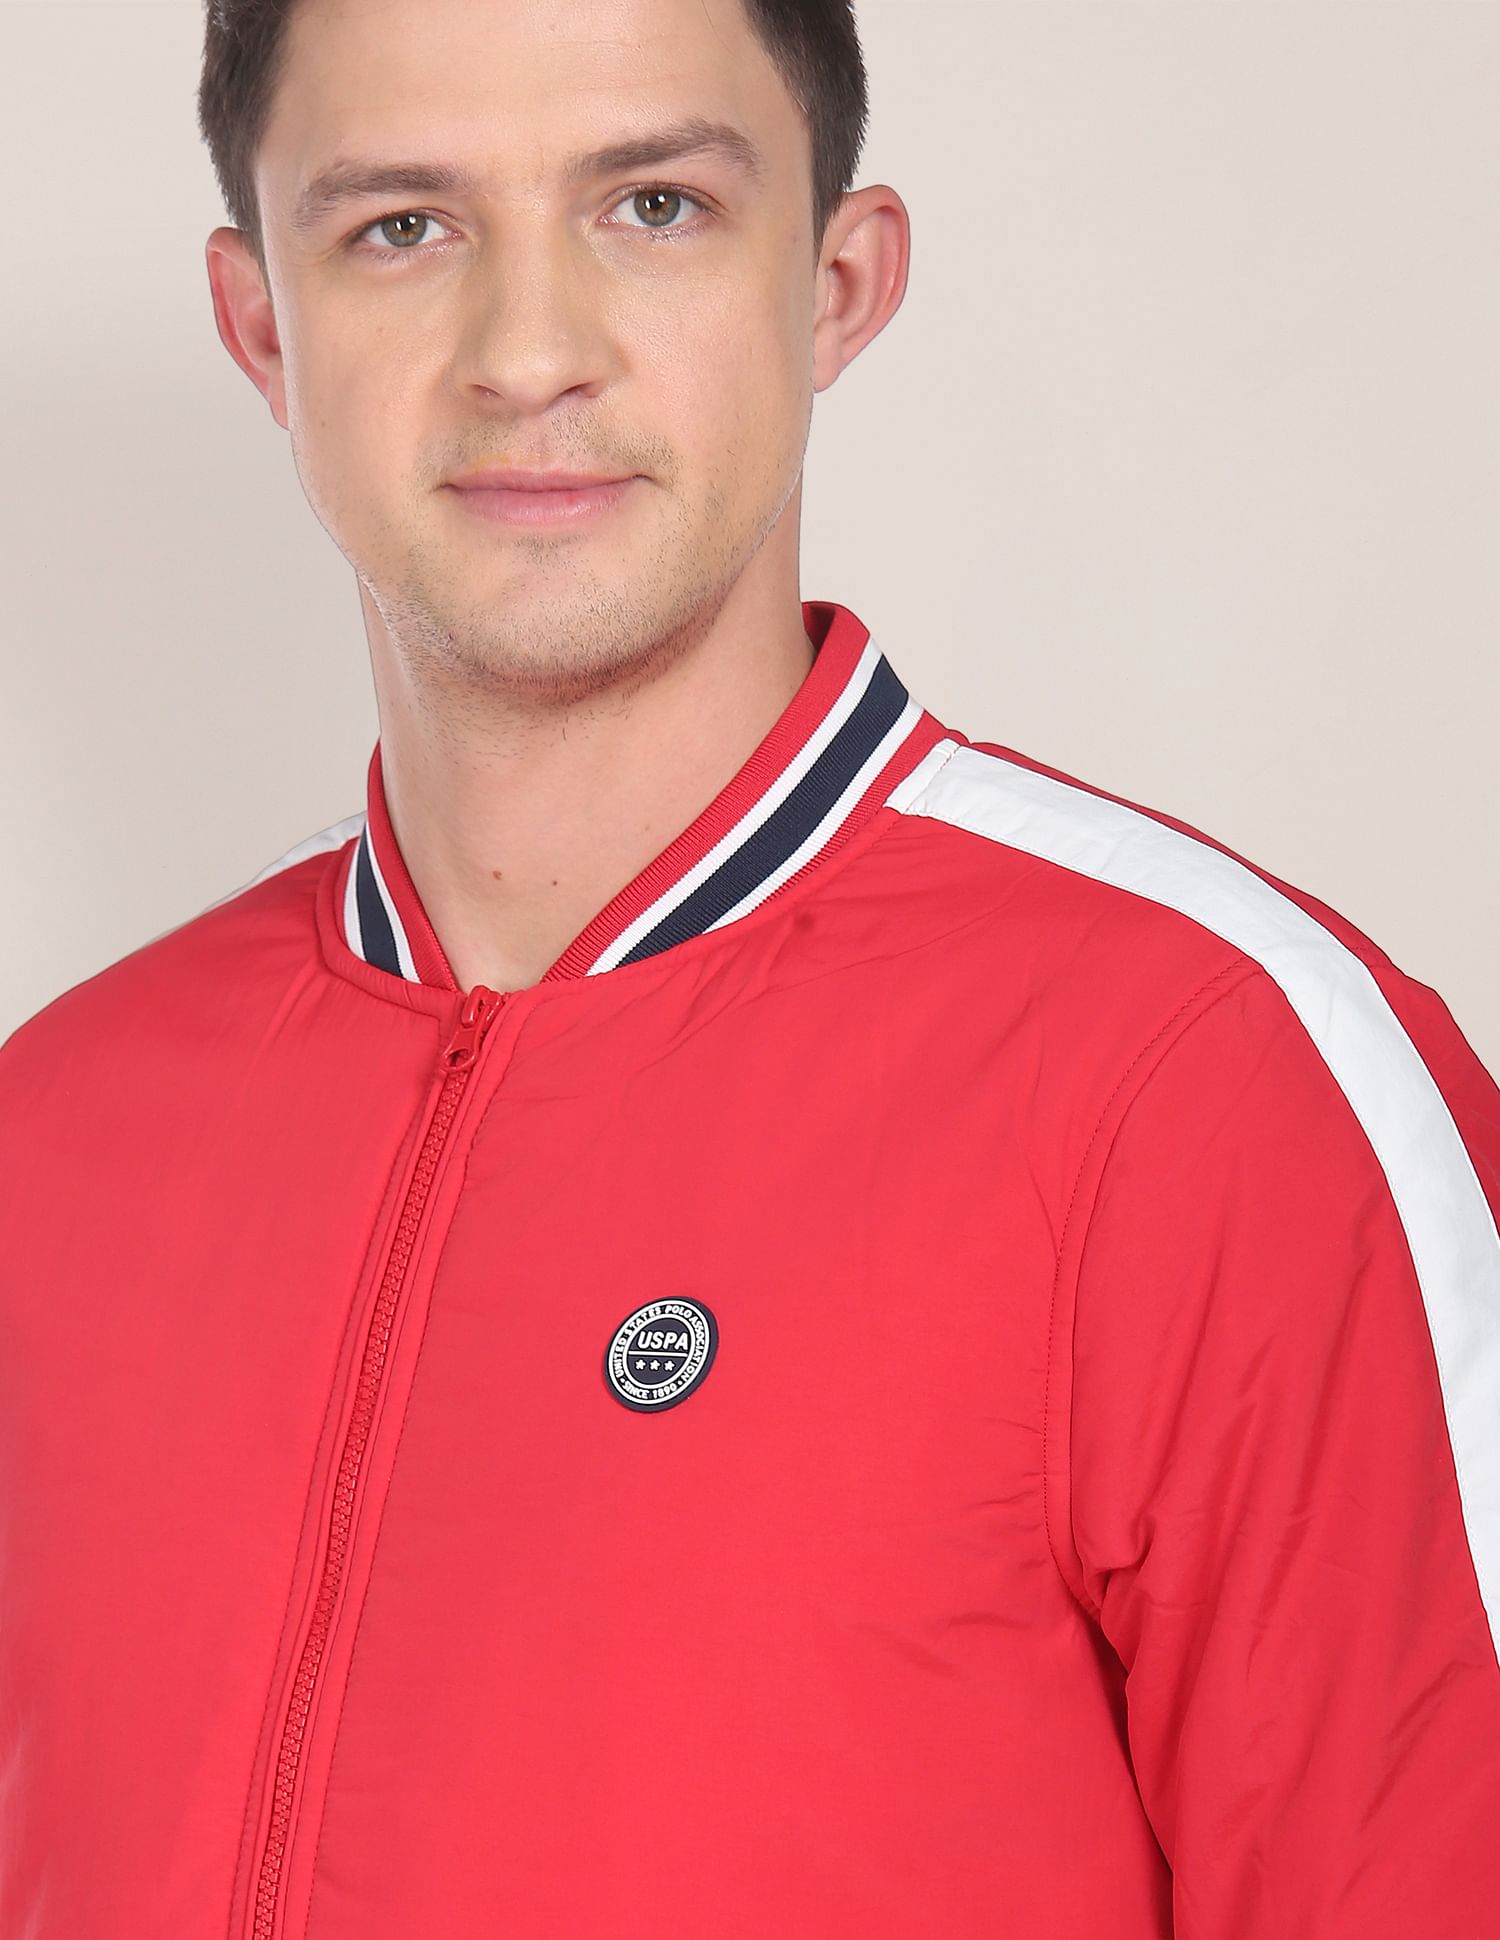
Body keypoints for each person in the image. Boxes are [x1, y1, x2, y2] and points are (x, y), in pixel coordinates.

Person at [2, 0, 1497, 1933]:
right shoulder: (52, 1136)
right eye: (402, 227)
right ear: (261, 325)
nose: (528, 351)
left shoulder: (1218, 1076)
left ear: (836, 284)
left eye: (654, 206)